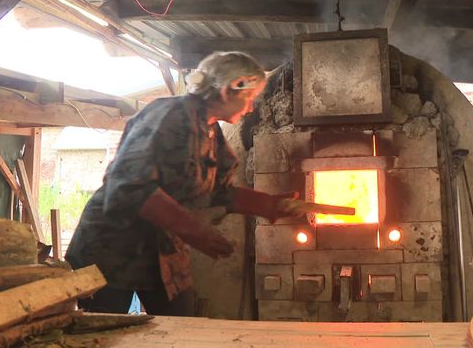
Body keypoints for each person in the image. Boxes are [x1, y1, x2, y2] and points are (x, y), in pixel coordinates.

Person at [65, 51, 301, 316]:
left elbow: (219, 193)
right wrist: (195, 232)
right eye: (250, 97)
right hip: (111, 247)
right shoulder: (168, 115)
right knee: (103, 333)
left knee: (183, 325)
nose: (251, 107)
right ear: (229, 90)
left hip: (162, 251)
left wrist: (270, 205)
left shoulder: (210, 131)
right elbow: (128, 185)